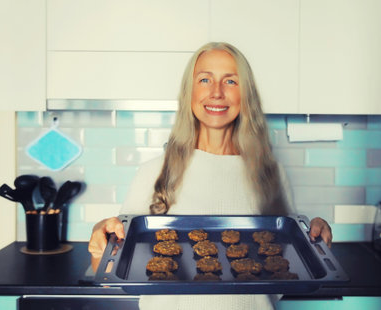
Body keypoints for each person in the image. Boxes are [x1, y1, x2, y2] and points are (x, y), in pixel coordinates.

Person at [88, 42, 332, 310]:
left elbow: (284, 267)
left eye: (231, 81)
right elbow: (113, 274)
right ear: (189, 92)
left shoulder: (271, 174)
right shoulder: (153, 172)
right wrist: (100, 244)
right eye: (205, 79)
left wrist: (315, 242)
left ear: (246, 95)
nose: (216, 92)